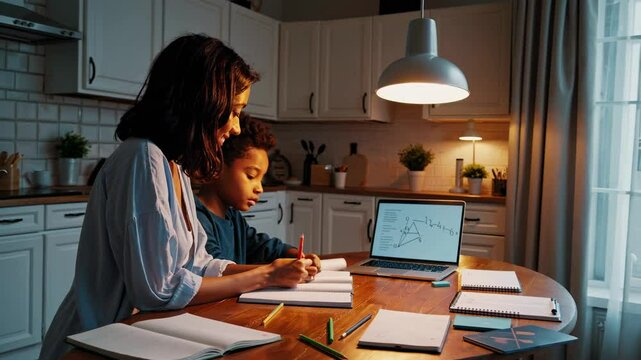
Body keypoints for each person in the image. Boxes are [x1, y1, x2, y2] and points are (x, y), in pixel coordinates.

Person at [40, 34, 317, 360]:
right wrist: (266, 276)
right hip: (93, 345)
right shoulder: (142, 158)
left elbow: (199, 265)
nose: (237, 127)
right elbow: (159, 291)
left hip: (135, 338)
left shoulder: (173, 164)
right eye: (235, 111)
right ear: (204, 102)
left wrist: (272, 269)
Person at [195, 114, 322, 267]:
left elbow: (259, 246)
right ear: (217, 166)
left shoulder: (232, 216)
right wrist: (275, 271)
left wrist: (294, 254)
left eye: (261, 179)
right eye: (251, 176)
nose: (259, 188)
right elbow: (218, 271)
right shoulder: (197, 219)